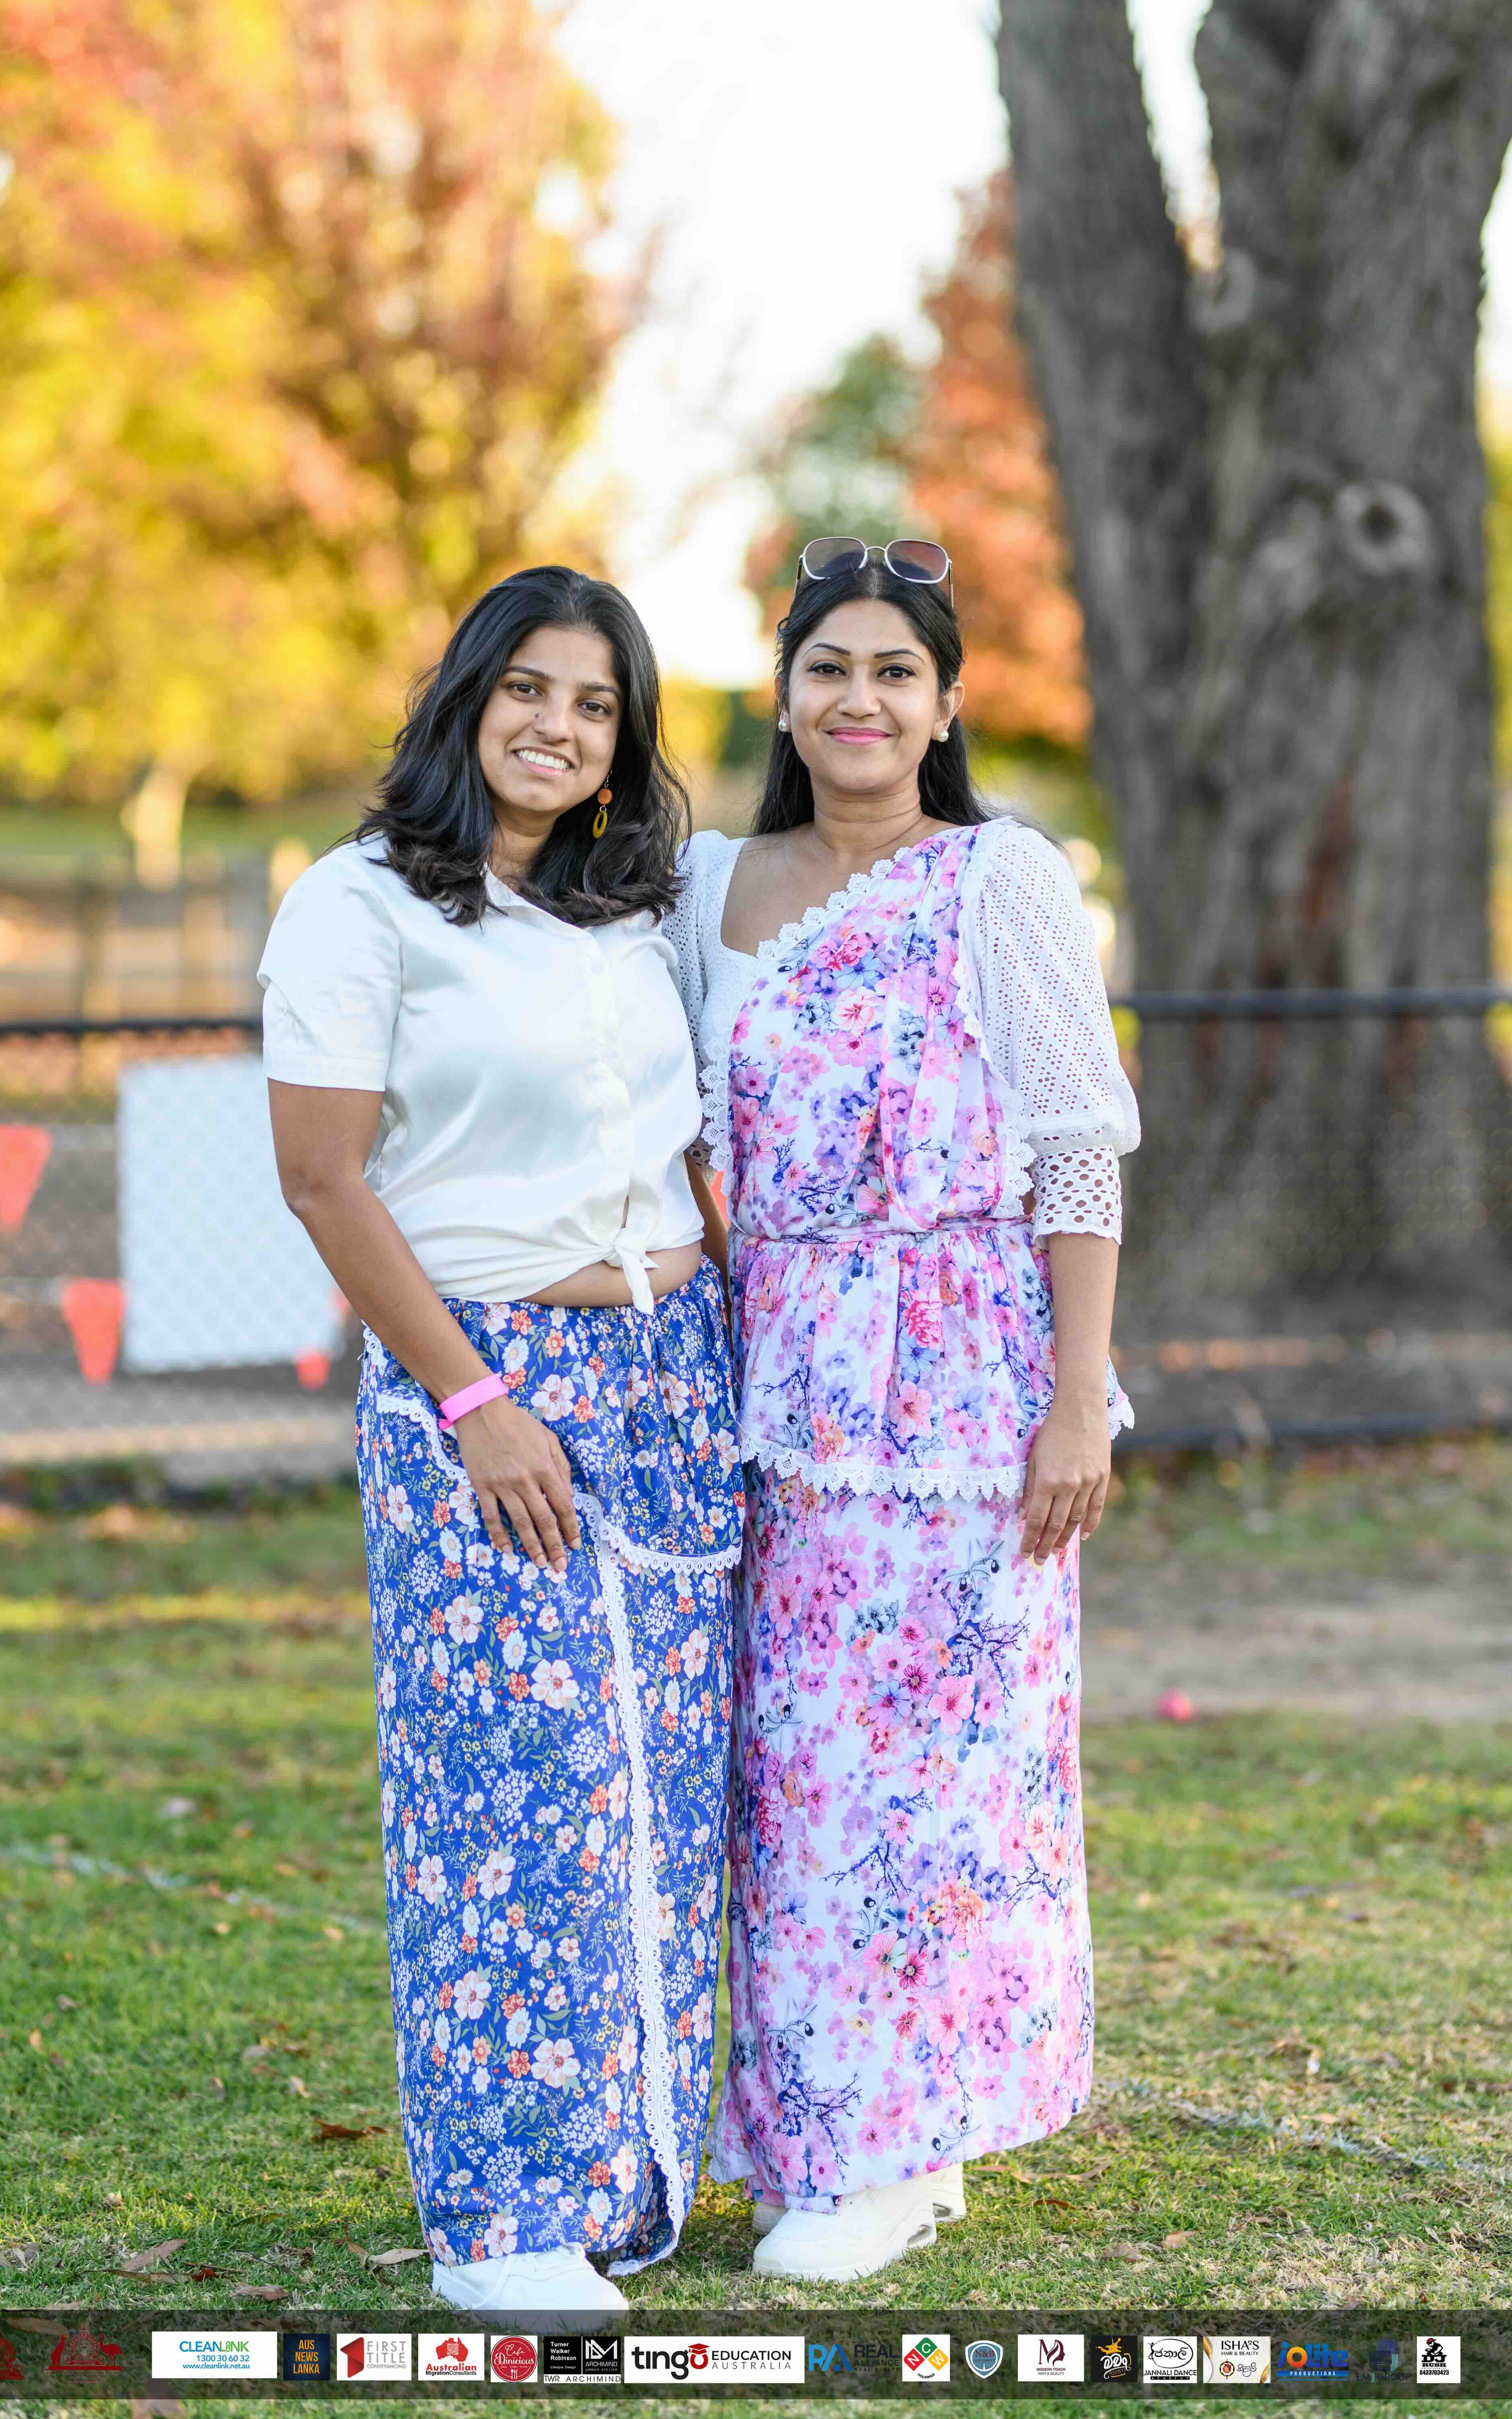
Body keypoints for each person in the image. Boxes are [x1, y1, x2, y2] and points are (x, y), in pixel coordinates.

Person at [259, 566, 743, 2321]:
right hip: (488, 1380)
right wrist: (475, 1404)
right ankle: (502, 2221)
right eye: (527, 690)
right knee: (509, 1797)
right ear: (467, 696)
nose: (557, 726)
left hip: (675, 1366)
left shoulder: (641, 907)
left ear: (625, 738)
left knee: (665, 1788)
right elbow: (322, 1179)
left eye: (596, 704)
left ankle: (627, 2179)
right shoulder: (362, 906)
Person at [664, 537, 1139, 2282]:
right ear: (780, 696)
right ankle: (837, 2130)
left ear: (946, 705)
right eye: (827, 669)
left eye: (894, 672)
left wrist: (1074, 1401)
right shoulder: (704, 885)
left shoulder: (999, 880)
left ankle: (903, 2140)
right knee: (796, 1775)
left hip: (961, 1380)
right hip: (774, 1379)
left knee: (946, 1775)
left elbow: (1075, 1144)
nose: (858, 701)